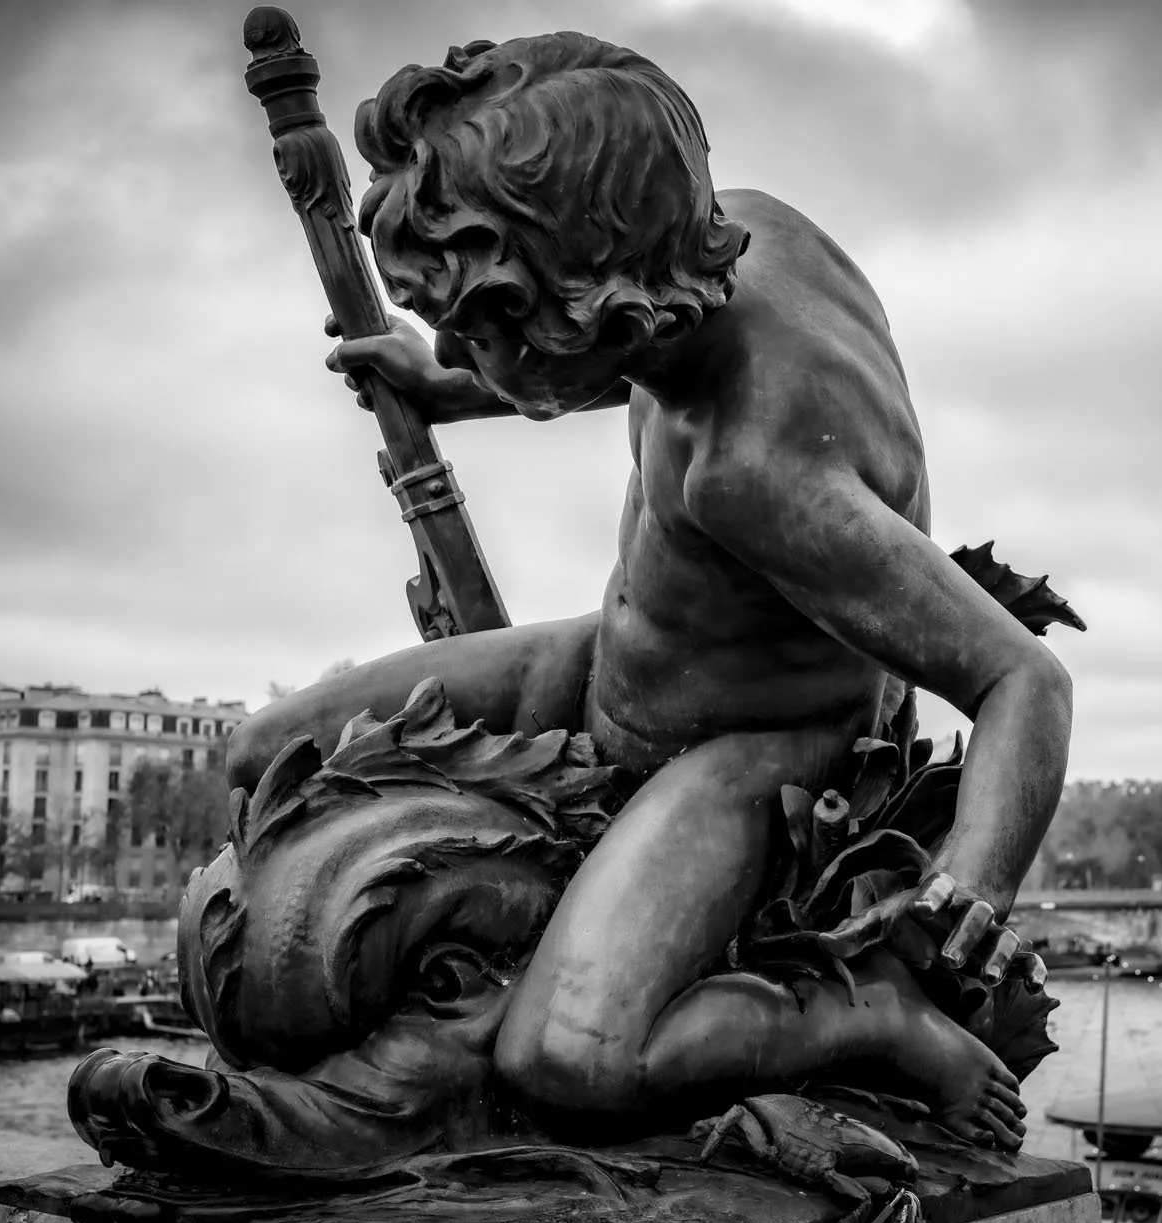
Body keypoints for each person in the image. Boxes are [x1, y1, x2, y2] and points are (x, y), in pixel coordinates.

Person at [227, 33, 1071, 1148]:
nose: (457, 340)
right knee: (266, 752)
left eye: (481, 321)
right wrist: (450, 385)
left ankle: (868, 1016)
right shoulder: (741, 237)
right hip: (601, 658)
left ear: (589, 295)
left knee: (566, 1055)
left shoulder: (757, 468)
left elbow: (1023, 675)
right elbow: (631, 350)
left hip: (746, 750)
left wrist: (970, 883)